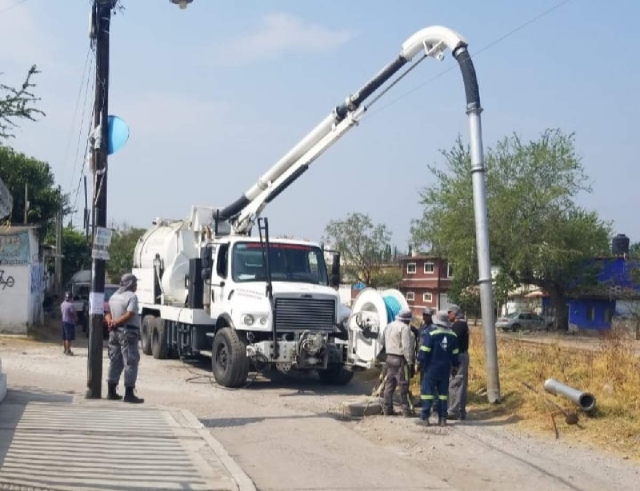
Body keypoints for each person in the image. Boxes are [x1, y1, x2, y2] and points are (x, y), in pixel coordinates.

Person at [416, 310, 460, 427]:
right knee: (443, 395)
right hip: (445, 369)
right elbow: (455, 354)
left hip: (431, 368)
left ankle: (425, 418)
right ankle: (442, 418)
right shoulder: (453, 335)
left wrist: (419, 362)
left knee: (427, 393)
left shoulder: (431, 333)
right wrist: (455, 367)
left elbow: (425, 350)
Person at [106, 273, 144, 403]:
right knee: (130, 361)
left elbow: (108, 313)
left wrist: (111, 322)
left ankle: (111, 391)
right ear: (129, 283)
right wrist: (116, 322)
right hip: (128, 333)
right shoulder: (132, 297)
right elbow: (130, 314)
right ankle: (129, 393)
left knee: (115, 360)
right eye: (135, 283)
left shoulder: (114, 296)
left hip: (114, 333)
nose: (136, 285)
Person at [381, 308, 415, 417]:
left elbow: (382, 341)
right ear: (407, 320)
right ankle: (406, 410)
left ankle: (387, 409)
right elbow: (406, 346)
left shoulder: (389, 326)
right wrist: (410, 362)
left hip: (389, 358)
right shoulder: (404, 328)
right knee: (403, 386)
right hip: (400, 360)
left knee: (389, 385)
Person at [447, 304, 470, 420]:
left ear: (455, 314)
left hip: (459, 356)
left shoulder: (458, 325)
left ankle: (453, 410)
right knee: (461, 383)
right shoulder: (462, 324)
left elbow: (452, 342)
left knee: (455, 382)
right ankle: (460, 410)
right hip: (463, 355)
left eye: (449, 312)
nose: (448, 314)